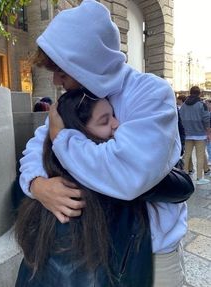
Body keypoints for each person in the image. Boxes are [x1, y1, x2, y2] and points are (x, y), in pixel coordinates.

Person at [19, 1, 187, 286]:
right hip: (92, 250)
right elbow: (35, 149)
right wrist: (38, 185)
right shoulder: (73, 100)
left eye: (61, 70)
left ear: (86, 61)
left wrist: (62, 139)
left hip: (152, 250)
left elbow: (128, 171)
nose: (56, 79)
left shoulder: (150, 94)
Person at [15, 88, 193, 287]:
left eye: (113, 115)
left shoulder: (76, 167)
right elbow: (182, 188)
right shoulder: (83, 185)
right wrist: (37, 184)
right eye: (104, 121)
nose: (117, 124)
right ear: (80, 134)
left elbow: (182, 186)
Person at [180, 86, 211, 184]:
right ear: (199, 93)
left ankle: (184, 176)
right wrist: (208, 133)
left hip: (188, 134)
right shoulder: (201, 105)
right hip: (200, 134)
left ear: (190, 92)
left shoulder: (184, 105)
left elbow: (180, 118)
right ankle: (199, 178)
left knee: (187, 155)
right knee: (200, 155)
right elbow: (206, 120)